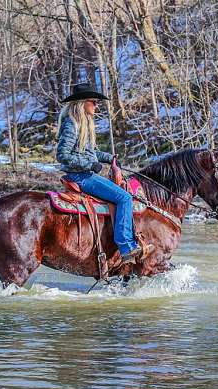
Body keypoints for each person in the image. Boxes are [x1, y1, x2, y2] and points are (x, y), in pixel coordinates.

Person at [56, 83, 147, 265]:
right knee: (124, 197)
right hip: (81, 177)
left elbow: (90, 151)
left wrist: (109, 158)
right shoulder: (72, 124)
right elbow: (63, 155)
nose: (96, 106)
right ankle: (126, 246)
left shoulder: (82, 124)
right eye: (94, 102)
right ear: (82, 103)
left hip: (85, 174)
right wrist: (90, 164)